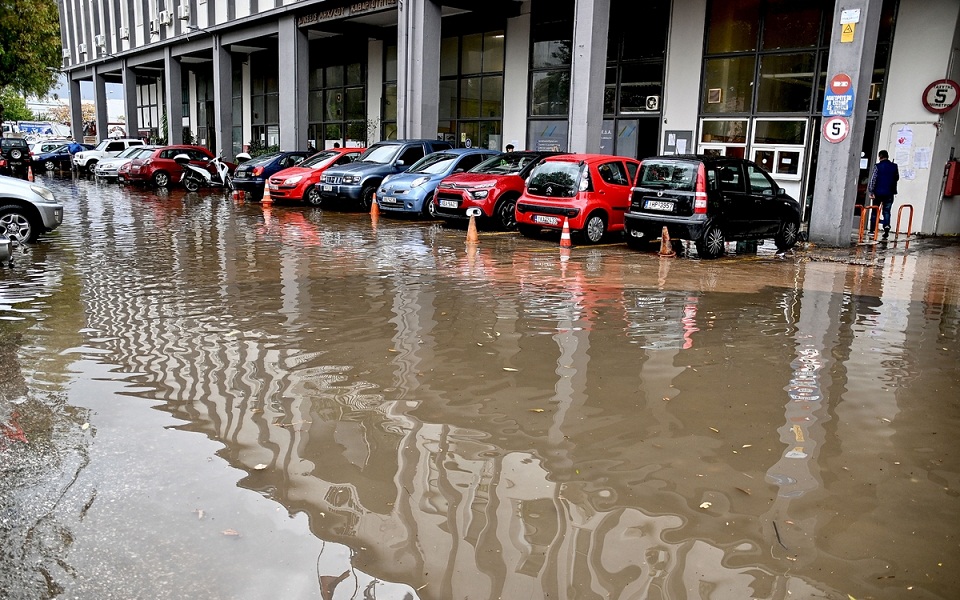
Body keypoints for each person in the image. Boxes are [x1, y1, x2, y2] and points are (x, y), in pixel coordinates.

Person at [867, 149, 900, 239]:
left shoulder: (877, 166)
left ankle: (872, 230)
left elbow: (873, 179)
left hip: (878, 193)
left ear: (880, 157)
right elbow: (897, 178)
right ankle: (886, 227)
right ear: (887, 156)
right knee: (886, 211)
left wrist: (871, 191)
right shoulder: (894, 166)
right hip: (889, 193)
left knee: (875, 211)